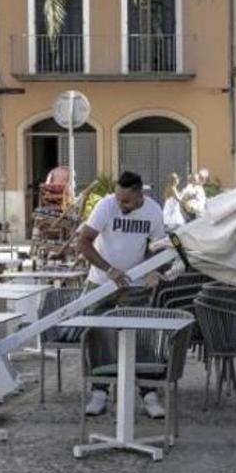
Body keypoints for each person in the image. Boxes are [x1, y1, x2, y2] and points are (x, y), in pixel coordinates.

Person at [75, 171, 168, 418]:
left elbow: (158, 248)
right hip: (101, 284)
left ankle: (148, 393)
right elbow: (82, 243)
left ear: (140, 195)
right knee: (98, 336)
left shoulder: (154, 212)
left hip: (134, 286)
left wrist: (153, 271)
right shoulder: (106, 206)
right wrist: (109, 269)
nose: (121, 205)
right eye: (118, 199)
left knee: (143, 337)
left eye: (126, 201)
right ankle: (99, 392)